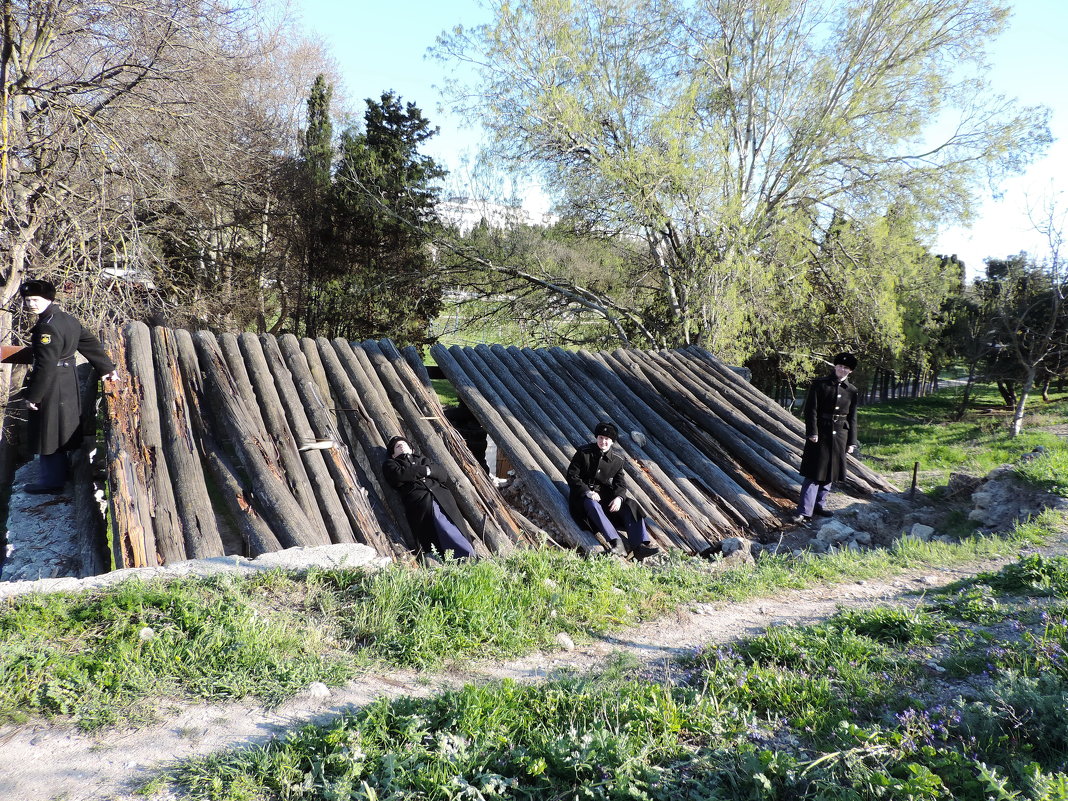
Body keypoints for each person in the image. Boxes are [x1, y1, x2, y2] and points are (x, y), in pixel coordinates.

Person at [17, 279, 119, 494]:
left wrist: (33, 395)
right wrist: (106, 367)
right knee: (60, 427)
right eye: (27, 300)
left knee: (48, 429)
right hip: (67, 378)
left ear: (49, 299)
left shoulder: (47, 326)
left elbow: (45, 364)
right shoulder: (67, 319)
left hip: (52, 381)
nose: (31, 304)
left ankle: (51, 482)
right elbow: (89, 342)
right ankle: (61, 474)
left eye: (35, 300)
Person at [566, 422, 660, 560]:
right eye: (601, 438)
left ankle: (639, 546)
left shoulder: (617, 460)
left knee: (631, 504)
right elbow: (572, 475)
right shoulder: (583, 452)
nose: (603, 441)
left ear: (612, 442)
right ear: (597, 437)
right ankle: (616, 542)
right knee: (592, 504)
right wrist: (587, 491)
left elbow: (620, 483)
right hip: (582, 497)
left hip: (604, 495)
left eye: (607, 439)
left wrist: (618, 498)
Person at [382, 435, 476, 560]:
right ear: (393, 454)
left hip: (442, 497)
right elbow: (399, 477)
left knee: (454, 524)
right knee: (441, 528)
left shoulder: (423, 459)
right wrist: (426, 471)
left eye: (404, 444)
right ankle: (464, 556)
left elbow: (442, 475)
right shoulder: (391, 463)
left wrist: (416, 472)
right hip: (421, 500)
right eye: (397, 446)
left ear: (412, 449)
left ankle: (466, 554)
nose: (401, 446)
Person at [792, 352, 859, 524]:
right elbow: (811, 410)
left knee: (830, 472)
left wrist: (851, 441)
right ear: (835, 366)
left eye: (846, 368)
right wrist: (812, 432)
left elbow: (852, 417)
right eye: (839, 366)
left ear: (850, 371)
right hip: (820, 433)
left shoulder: (851, 391)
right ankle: (804, 511)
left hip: (840, 435)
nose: (842, 370)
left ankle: (818, 506)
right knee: (814, 472)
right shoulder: (820, 385)